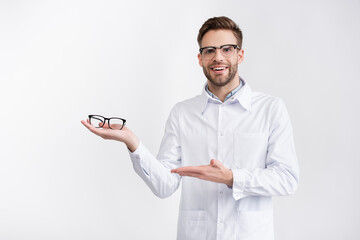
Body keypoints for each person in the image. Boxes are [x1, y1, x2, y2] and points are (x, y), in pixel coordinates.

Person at [81, 16, 299, 240]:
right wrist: (133, 143)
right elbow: (164, 185)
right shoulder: (182, 113)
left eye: (227, 49)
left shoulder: (270, 109)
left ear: (239, 55)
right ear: (200, 58)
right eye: (209, 51)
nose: (218, 57)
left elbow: (287, 178)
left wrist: (232, 177)